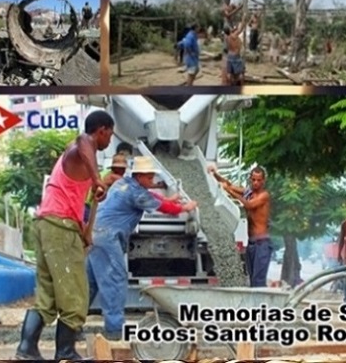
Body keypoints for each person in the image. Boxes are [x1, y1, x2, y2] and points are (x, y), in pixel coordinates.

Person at [15, 111, 114, 360]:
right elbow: (84, 141)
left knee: (47, 295)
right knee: (76, 293)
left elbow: (70, 200)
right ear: (101, 130)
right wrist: (97, 179)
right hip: (58, 227)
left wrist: (84, 231)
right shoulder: (81, 145)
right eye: (109, 135)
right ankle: (66, 353)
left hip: (48, 223)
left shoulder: (77, 159)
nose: (109, 141)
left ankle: (26, 349)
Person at [86, 156, 197, 340]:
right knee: (115, 280)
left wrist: (171, 198)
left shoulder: (123, 183)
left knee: (90, 283)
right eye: (149, 177)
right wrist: (185, 207)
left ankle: (70, 326)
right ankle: (114, 332)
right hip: (107, 237)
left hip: (96, 233)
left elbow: (152, 196)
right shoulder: (136, 193)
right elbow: (161, 207)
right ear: (140, 176)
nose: (152, 180)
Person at [208, 165, 271, 287]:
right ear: (250, 179)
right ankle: (253, 305)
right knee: (252, 279)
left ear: (263, 181)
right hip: (251, 243)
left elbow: (249, 205)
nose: (256, 182)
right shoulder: (248, 192)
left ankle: (261, 305)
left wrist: (229, 191)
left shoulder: (264, 195)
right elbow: (229, 184)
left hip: (262, 243)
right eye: (253, 179)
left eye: (259, 180)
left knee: (258, 280)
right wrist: (215, 174)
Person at [224, 16, 249, 86]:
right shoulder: (234, 36)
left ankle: (231, 85)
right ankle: (241, 85)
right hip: (236, 55)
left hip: (229, 55)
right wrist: (243, 18)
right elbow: (241, 29)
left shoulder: (226, 38)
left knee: (229, 73)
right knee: (240, 73)